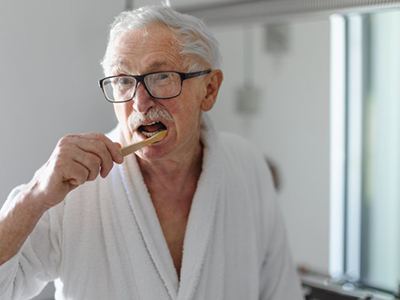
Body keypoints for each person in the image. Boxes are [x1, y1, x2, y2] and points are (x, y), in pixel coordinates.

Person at [0, 5, 303, 300]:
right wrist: (35, 196)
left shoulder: (247, 166)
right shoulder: (73, 187)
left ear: (209, 90)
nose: (141, 103)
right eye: (122, 81)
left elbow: (281, 291)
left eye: (162, 77)